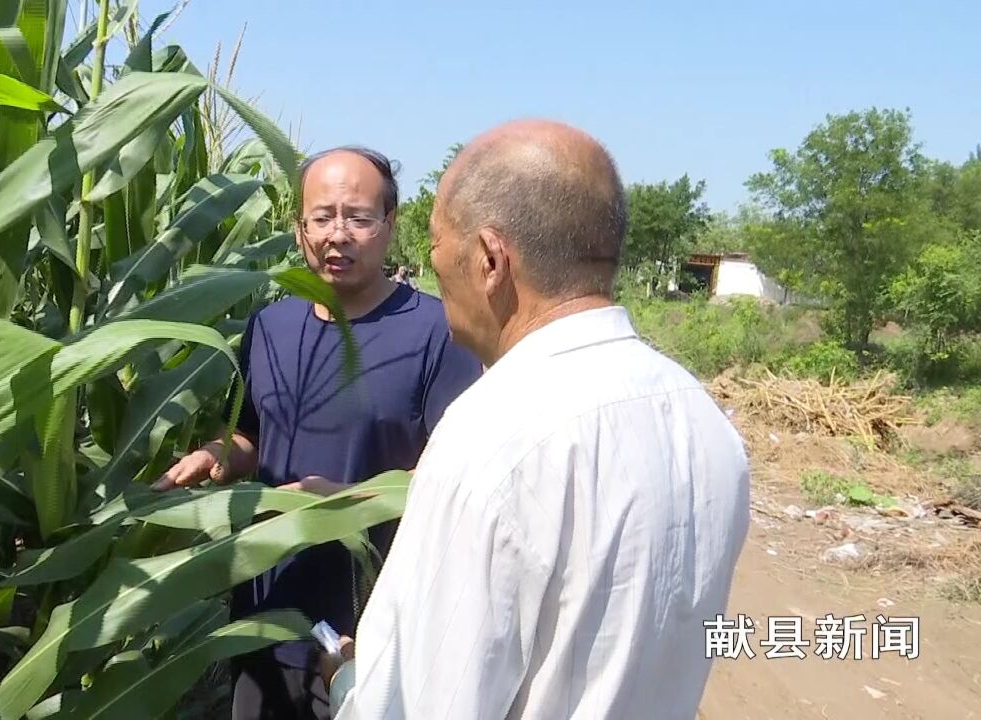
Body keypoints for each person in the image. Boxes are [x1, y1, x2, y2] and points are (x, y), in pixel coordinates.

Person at [324, 119, 751, 719]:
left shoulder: (491, 435)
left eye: (437, 243)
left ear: (491, 260)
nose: (432, 264)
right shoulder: (703, 419)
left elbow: (426, 703)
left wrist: (348, 683)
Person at [152, 145, 483, 719]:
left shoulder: (437, 333)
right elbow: (253, 434)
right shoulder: (270, 325)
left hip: (374, 616)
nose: (338, 235)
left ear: (389, 224)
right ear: (299, 227)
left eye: (357, 217)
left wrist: (346, 504)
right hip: (268, 608)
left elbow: (455, 477)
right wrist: (215, 454)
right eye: (321, 218)